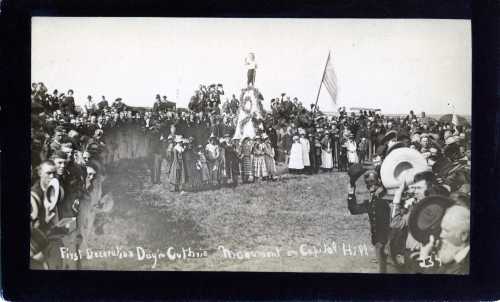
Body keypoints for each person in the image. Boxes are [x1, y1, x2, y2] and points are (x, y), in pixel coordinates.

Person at [346, 169, 391, 273]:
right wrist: (351, 191)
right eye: (368, 184)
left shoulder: (387, 198)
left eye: (373, 183)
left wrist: (383, 189)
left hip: (388, 242)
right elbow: (354, 209)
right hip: (378, 242)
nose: (371, 186)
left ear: (379, 182)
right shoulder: (371, 202)